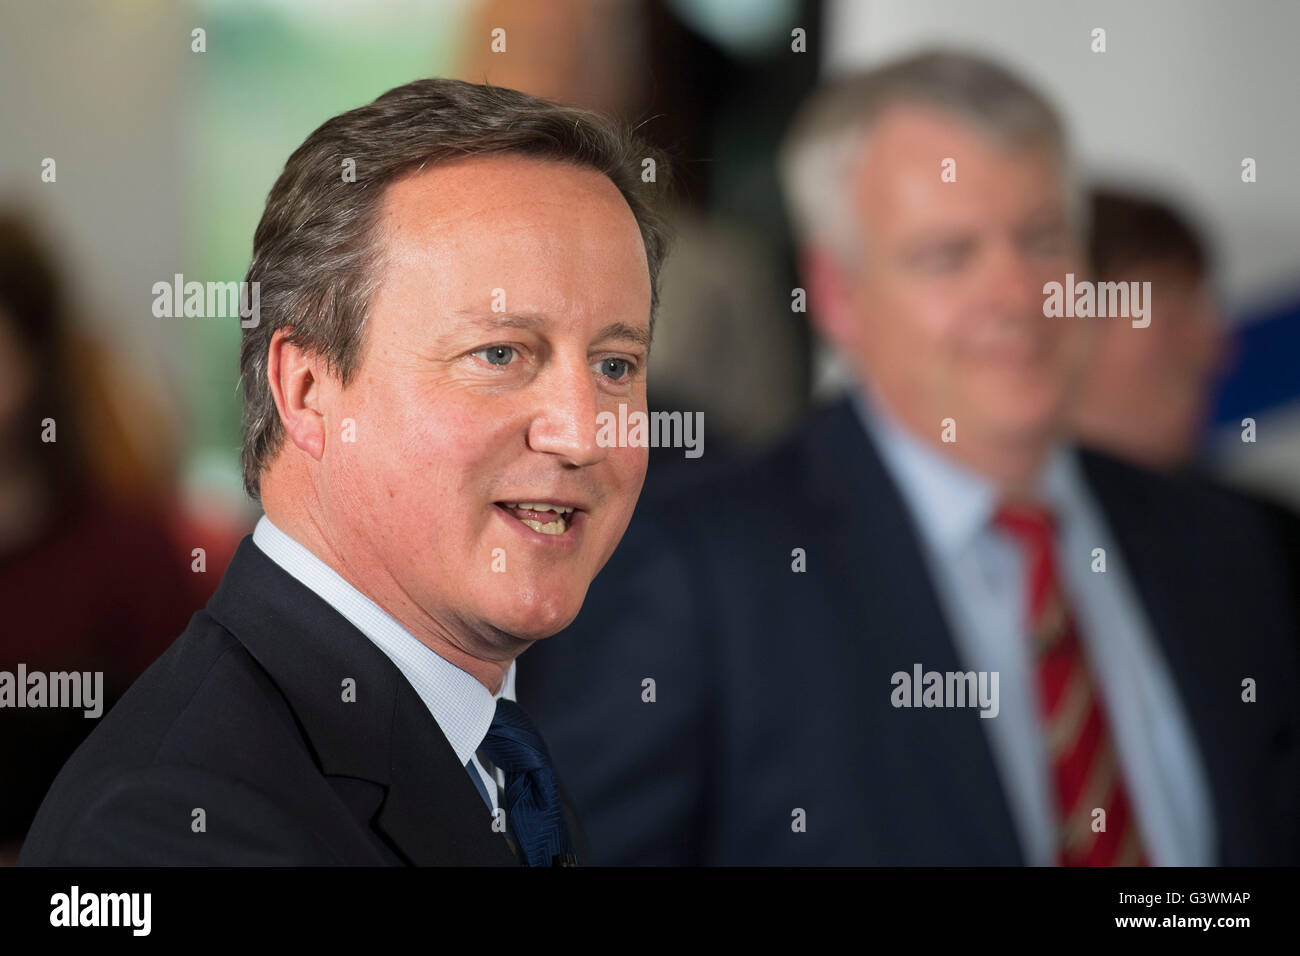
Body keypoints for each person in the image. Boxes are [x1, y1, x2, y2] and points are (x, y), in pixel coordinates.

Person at [518, 50, 1300, 866]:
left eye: (1040, 239)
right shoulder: (695, 572)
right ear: (837, 294)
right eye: (948, 256)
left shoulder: (1225, 546)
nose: (1016, 295)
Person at [19, 78, 671, 866]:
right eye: (499, 354)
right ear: (306, 390)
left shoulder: (492, 750)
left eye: (614, 364)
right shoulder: (170, 828)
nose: (581, 434)